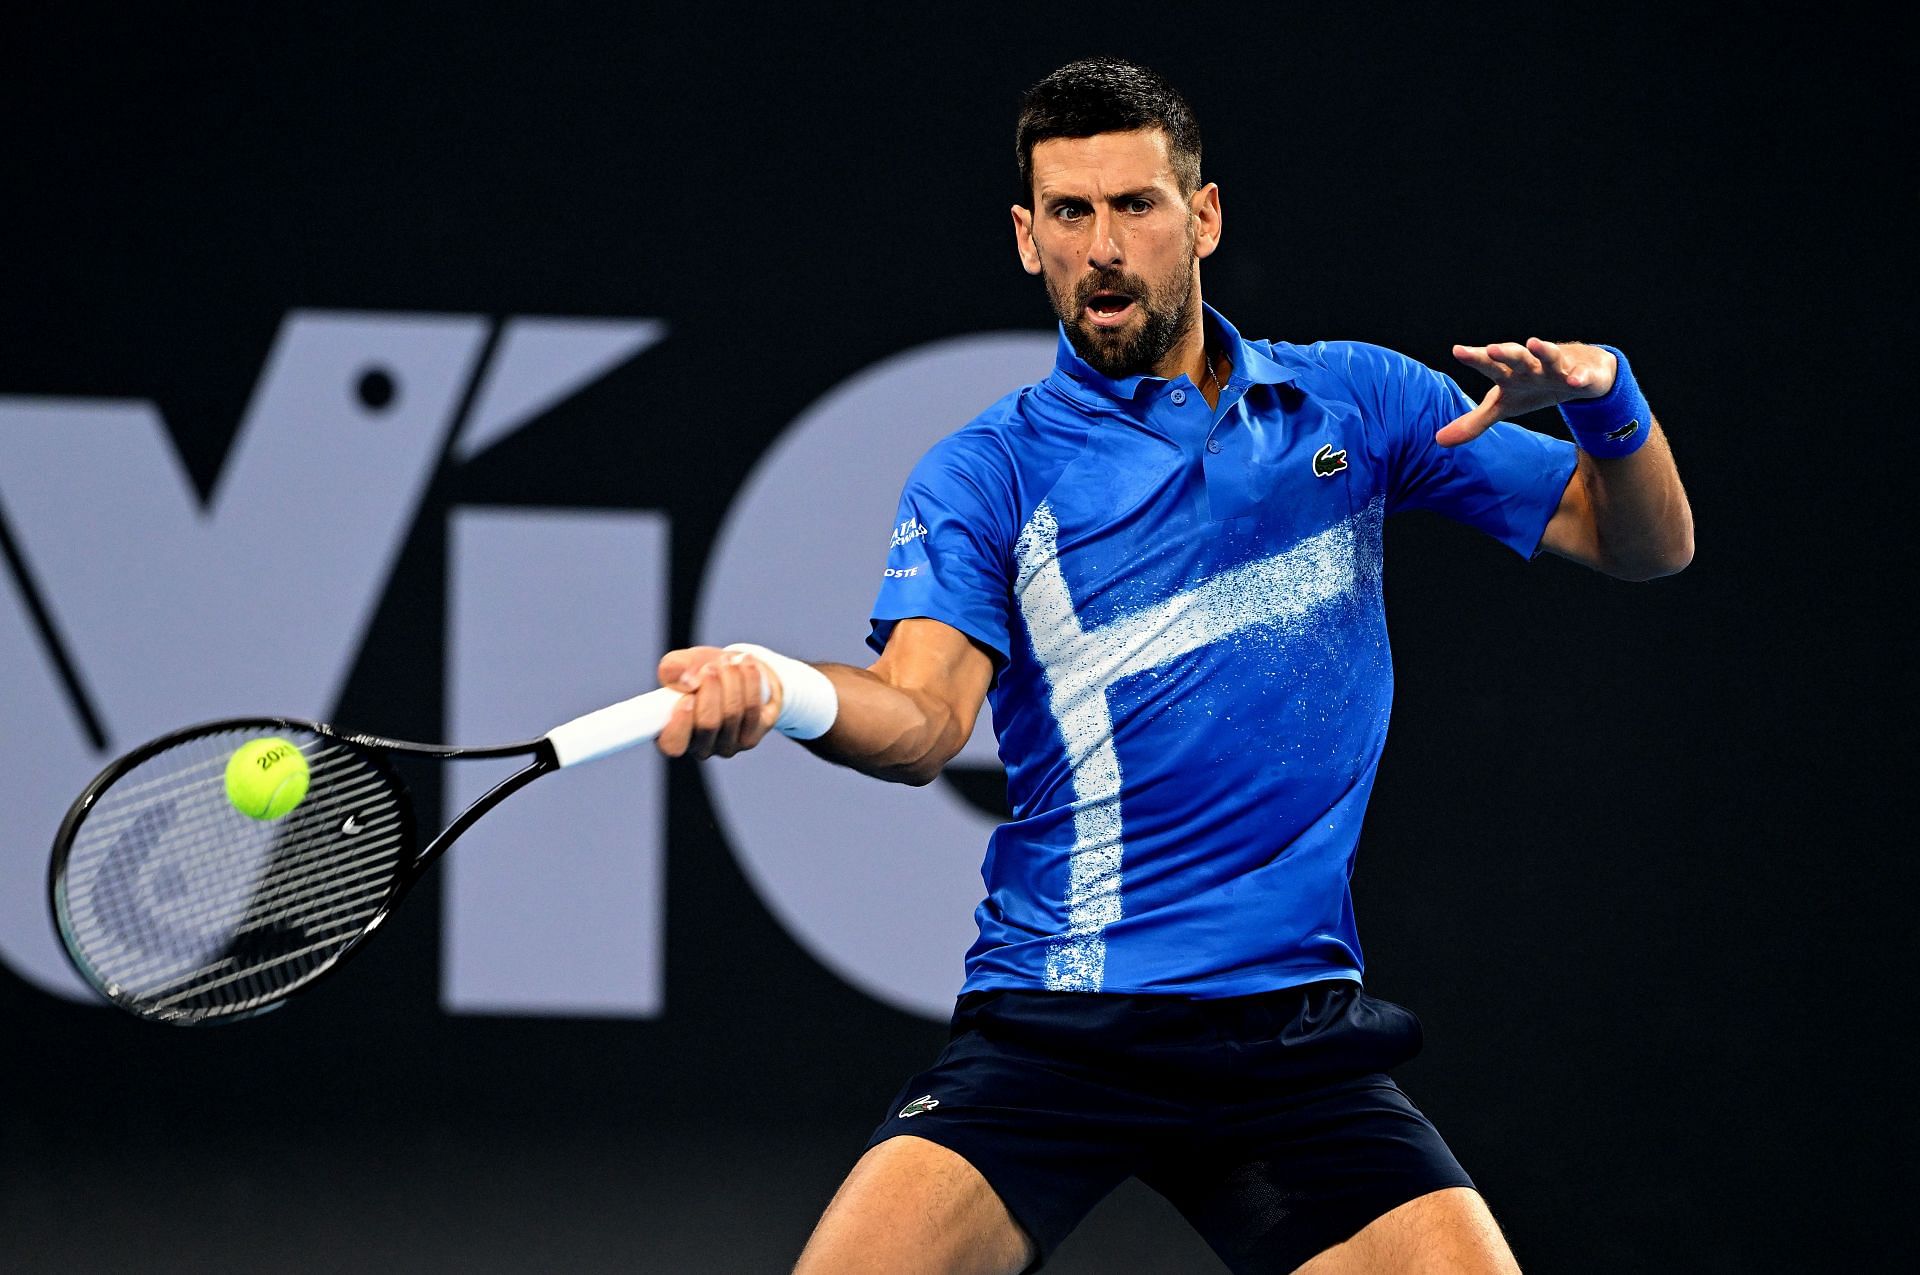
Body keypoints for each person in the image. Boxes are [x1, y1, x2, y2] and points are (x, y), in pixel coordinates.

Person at [655, 57, 1692, 1275]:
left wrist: (1609, 404)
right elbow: (928, 721)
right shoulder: (986, 474)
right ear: (1026, 238)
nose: (1104, 246)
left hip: (1286, 1033)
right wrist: (782, 690)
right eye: (1069, 213)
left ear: (1202, 217)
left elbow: (1644, 542)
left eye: (1136, 206)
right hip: (1060, 1022)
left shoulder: (1352, 404)